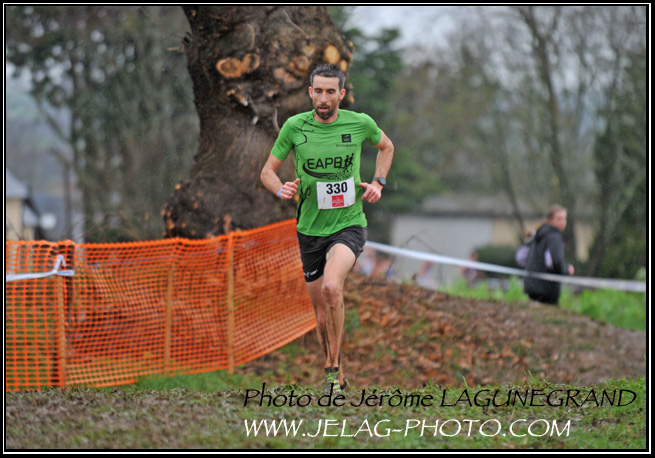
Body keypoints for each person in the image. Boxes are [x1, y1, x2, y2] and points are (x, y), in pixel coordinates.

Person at [260, 63, 394, 392]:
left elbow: (387, 147)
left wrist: (378, 182)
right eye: (318, 91)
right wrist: (281, 189)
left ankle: (331, 373)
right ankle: (337, 371)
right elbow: (267, 172)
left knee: (332, 288)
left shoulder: (359, 123)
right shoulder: (294, 127)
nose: (323, 98)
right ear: (310, 93)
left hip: (348, 224)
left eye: (330, 92)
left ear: (341, 94)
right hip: (309, 230)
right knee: (321, 316)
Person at [523, 205, 575, 306]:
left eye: (564, 218)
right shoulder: (554, 236)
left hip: (532, 285)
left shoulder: (539, 233)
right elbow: (556, 261)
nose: (563, 222)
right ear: (550, 220)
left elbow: (521, 257)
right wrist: (567, 270)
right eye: (559, 219)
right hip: (547, 289)